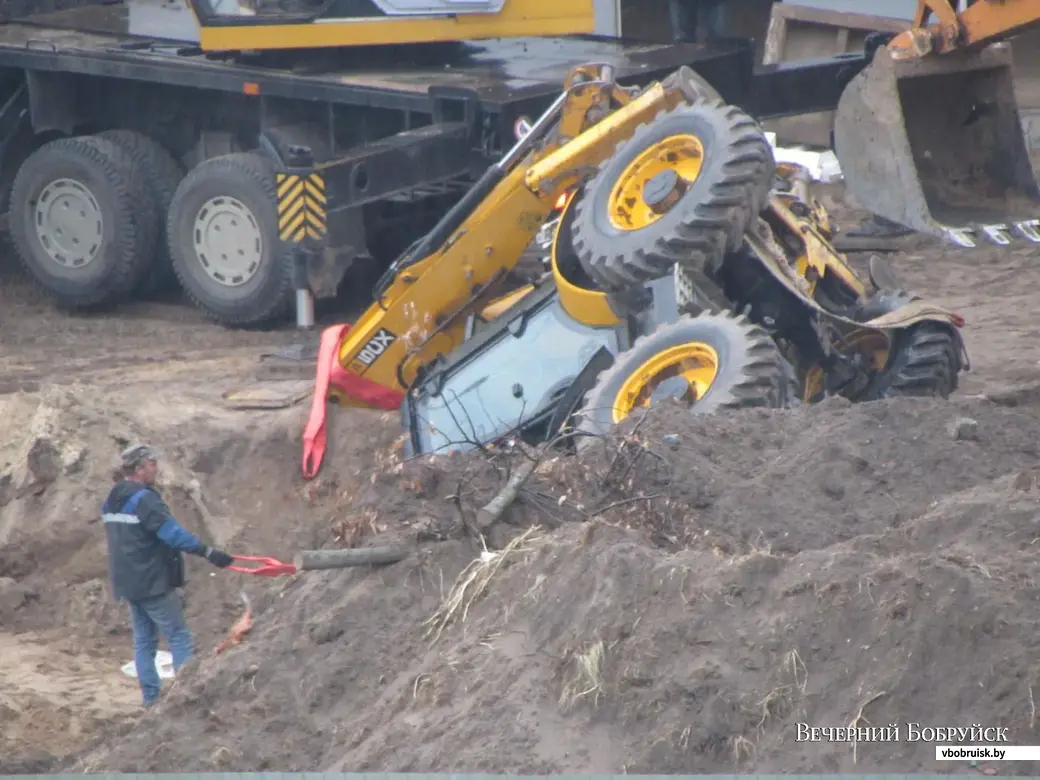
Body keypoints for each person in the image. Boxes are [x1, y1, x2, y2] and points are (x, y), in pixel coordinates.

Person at [101, 443, 235, 708]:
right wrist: (208, 551)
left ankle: (151, 700)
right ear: (140, 468)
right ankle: (185, 699)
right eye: (152, 464)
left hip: (127, 581)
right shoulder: (145, 500)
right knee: (178, 635)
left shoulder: (112, 497)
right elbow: (172, 534)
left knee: (143, 641)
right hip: (152, 581)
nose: (156, 468)